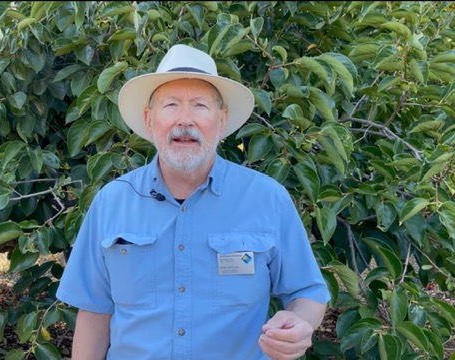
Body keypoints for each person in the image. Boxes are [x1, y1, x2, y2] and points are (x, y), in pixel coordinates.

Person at [56, 43, 330, 360]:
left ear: (222, 120)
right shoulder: (111, 202)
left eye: (200, 106)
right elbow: (94, 313)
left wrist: (301, 321)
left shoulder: (268, 199)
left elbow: (307, 291)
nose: (185, 120)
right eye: (171, 105)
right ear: (149, 119)